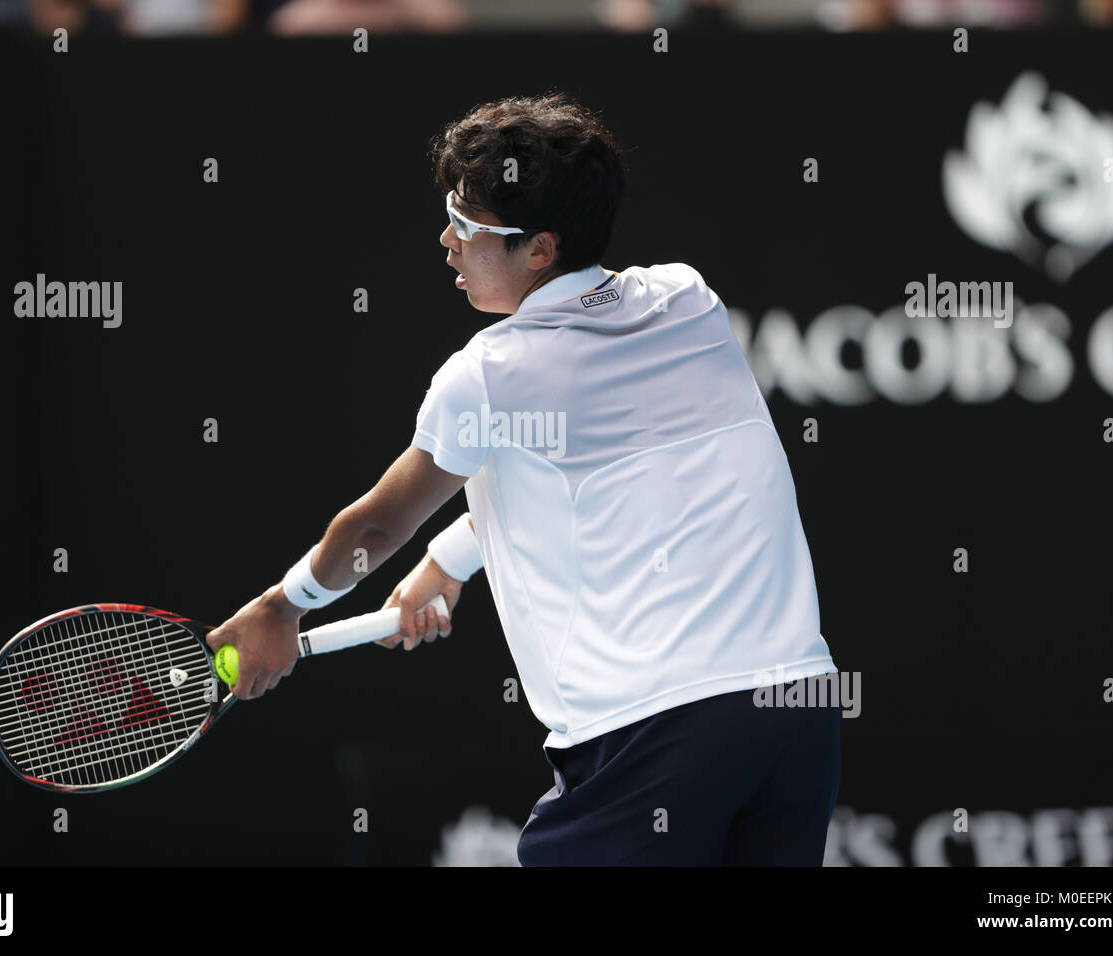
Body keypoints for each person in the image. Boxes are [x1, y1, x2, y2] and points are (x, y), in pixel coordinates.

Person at [207, 91, 841, 866]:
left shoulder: (489, 373)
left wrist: (282, 606)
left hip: (653, 734)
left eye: (467, 224)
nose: (447, 239)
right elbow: (602, 478)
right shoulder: (688, 300)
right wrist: (448, 562)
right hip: (796, 716)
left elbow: (377, 527)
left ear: (539, 249)